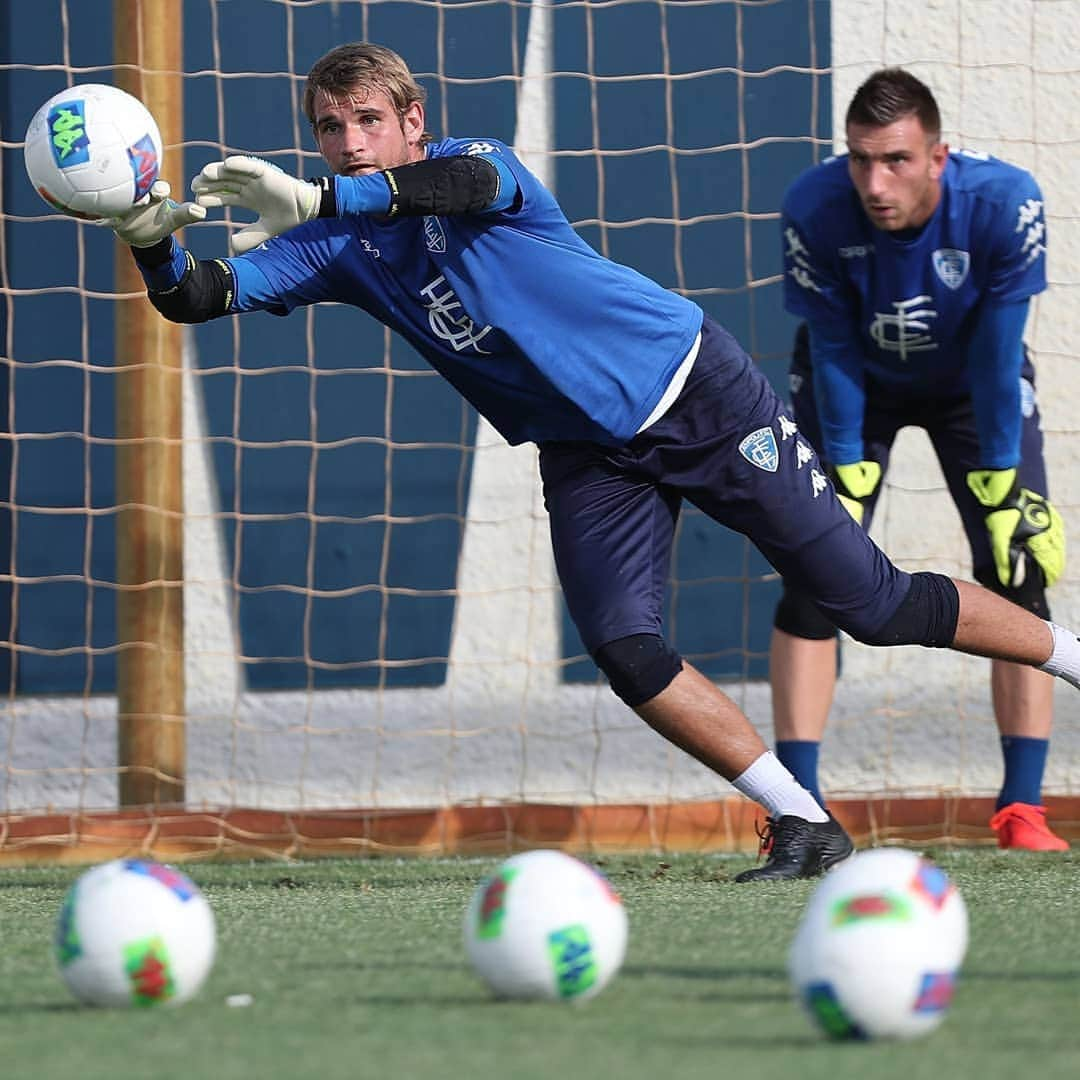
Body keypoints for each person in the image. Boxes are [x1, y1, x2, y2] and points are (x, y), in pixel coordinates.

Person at [106, 43, 1080, 880]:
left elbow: (465, 187)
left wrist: (329, 191)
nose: (350, 140)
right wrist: (149, 239)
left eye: (368, 120)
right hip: (586, 452)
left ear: (413, 121)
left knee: (873, 607)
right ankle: (804, 820)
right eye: (329, 128)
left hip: (694, 389)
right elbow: (197, 295)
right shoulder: (333, 245)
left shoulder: (472, 167)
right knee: (625, 647)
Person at [771, 67, 1068, 851]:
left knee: (1017, 570)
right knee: (815, 581)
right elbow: (830, 343)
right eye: (861, 158)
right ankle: (801, 807)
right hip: (853, 386)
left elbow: (1002, 351)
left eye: (896, 159)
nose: (875, 180)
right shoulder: (813, 204)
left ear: (937, 157)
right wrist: (845, 465)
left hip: (974, 385)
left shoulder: (1007, 202)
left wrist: (1004, 479)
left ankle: (1022, 810)